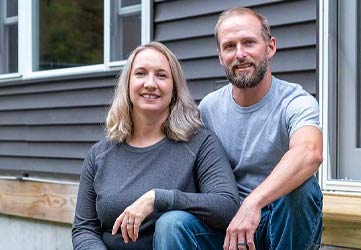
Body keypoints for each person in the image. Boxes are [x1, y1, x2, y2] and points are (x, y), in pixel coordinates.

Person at [71, 41, 239, 250]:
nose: (150, 83)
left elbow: (227, 206)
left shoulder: (200, 143)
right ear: (127, 85)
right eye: (141, 73)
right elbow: (84, 229)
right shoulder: (99, 154)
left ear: (175, 89)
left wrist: (160, 198)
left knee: (171, 222)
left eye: (161, 75)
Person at [198, 7, 324, 250]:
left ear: (270, 47)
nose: (240, 54)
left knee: (303, 187)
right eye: (229, 46)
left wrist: (252, 204)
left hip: (284, 222)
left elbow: (310, 151)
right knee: (174, 223)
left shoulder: (295, 101)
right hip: (229, 227)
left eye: (249, 42)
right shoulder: (208, 109)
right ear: (220, 56)